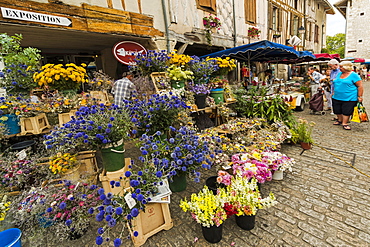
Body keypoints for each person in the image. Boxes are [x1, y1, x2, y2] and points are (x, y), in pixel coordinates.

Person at [332, 61, 364, 130]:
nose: (339, 68)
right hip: (337, 96)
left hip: (349, 97)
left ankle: (345, 123)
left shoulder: (354, 75)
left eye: (341, 67)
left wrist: (359, 96)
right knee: (337, 109)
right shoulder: (339, 74)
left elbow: (360, 86)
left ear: (346, 67)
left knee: (346, 110)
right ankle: (339, 120)